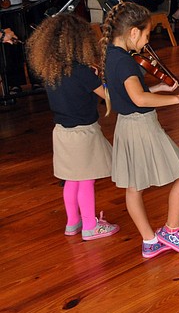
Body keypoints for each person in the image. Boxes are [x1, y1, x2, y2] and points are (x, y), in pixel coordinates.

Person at [101, 2, 179, 258]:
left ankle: (149, 241)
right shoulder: (126, 62)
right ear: (133, 33)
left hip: (126, 126)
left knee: (134, 188)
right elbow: (139, 99)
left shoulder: (111, 56)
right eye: (146, 35)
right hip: (142, 126)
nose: (147, 42)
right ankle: (171, 229)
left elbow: (123, 94)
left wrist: (157, 89)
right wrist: (178, 99)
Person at [27, 14, 119, 240]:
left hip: (61, 132)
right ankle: (90, 226)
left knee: (71, 179)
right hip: (83, 133)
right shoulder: (81, 71)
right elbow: (107, 97)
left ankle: (72, 223)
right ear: (81, 41)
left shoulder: (50, 71)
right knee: (86, 179)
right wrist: (104, 80)